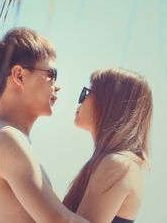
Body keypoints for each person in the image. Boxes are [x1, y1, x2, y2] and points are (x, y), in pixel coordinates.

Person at [0, 27, 90, 223]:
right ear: (19, 76)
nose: (57, 85)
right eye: (52, 74)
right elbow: (59, 220)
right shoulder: (5, 139)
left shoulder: (6, 138)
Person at [63, 68, 153, 223]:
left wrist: (34, 182)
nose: (81, 98)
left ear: (109, 102)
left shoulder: (118, 164)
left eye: (89, 92)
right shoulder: (121, 164)